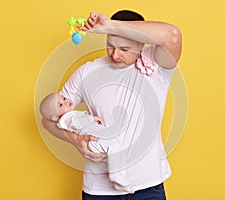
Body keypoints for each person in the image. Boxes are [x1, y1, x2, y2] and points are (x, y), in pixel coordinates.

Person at [42, 10, 182, 199]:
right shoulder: (87, 72)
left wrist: (111, 25)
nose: (115, 54)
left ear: (141, 44)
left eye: (124, 49)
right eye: (110, 45)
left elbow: (172, 35)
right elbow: (49, 120)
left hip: (148, 187)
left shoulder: (155, 64)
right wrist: (75, 140)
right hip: (99, 190)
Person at [39, 92, 134, 193]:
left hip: (96, 138)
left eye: (64, 98)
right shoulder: (66, 118)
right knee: (115, 148)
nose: (66, 101)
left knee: (116, 153)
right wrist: (91, 119)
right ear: (55, 117)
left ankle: (119, 180)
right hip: (94, 140)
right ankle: (116, 176)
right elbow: (77, 122)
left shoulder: (69, 115)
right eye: (61, 105)